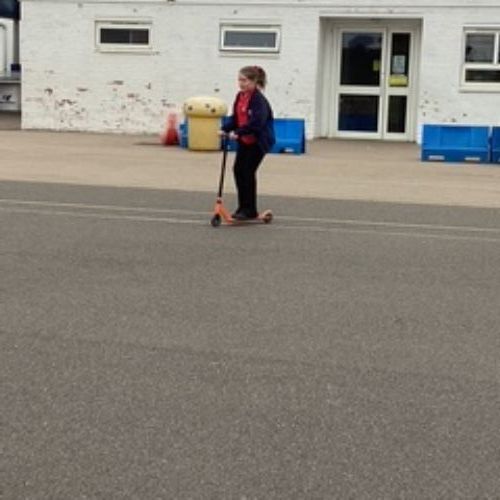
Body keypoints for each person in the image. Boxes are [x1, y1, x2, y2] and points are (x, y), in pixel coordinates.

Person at [221, 66, 275, 220]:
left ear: (254, 81)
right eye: (239, 80)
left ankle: (250, 209)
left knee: (247, 171)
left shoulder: (259, 100)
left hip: (258, 141)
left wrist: (238, 133)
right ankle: (243, 207)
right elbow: (236, 117)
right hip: (245, 140)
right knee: (238, 170)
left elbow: (257, 123)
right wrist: (225, 129)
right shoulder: (240, 96)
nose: (241, 83)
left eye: (244, 80)